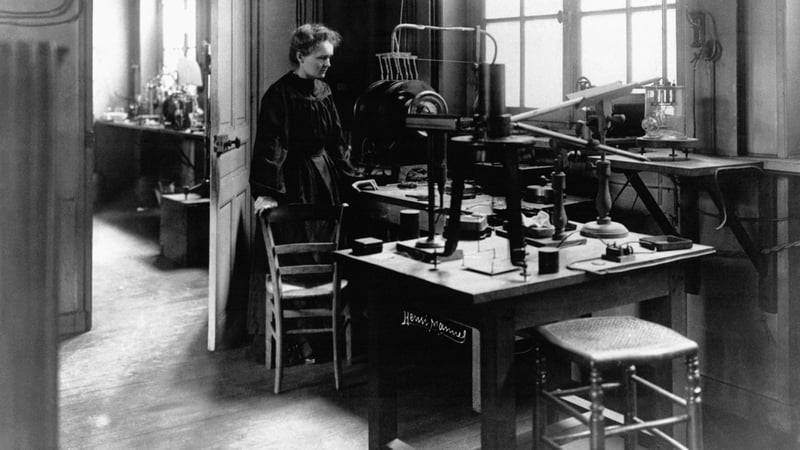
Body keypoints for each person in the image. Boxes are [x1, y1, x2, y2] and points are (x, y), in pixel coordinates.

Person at [248, 23, 358, 365]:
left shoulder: (324, 91)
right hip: (294, 183)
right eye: (321, 58)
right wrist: (267, 192)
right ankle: (298, 341)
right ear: (300, 56)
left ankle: (325, 339)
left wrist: (352, 177)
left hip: (325, 180)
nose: (328, 64)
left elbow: (336, 142)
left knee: (326, 255)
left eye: (329, 58)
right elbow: (270, 145)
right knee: (298, 259)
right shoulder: (278, 95)